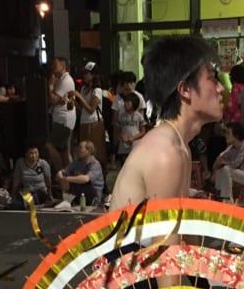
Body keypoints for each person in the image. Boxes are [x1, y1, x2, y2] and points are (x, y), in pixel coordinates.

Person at [110, 34, 224, 210]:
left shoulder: (177, 144)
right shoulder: (166, 153)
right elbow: (165, 238)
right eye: (212, 78)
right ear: (185, 89)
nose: (221, 87)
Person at [212, 122, 244, 201]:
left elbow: (235, 164)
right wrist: (215, 171)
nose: (226, 136)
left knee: (226, 169)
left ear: (236, 135)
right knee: (222, 169)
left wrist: (223, 163)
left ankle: (227, 199)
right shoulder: (232, 148)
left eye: (228, 133)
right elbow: (219, 160)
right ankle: (219, 194)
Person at [74, 65, 106, 174]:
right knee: (84, 151)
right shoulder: (83, 88)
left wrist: (79, 97)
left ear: (93, 75)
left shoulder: (97, 90)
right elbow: (82, 108)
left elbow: (91, 109)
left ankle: (99, 174)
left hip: (94, 122)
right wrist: (74, 102)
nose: (84, 75)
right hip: (84, 121)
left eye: (87, 73)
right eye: (84, 73)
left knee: (95, 151)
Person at [54, 140, 105, 209]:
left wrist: (67, 179)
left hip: (92, 193)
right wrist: (60, 175)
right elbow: (64, 171)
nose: (78, 150)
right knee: (66, 178)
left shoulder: (95, 164)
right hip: (80, 193)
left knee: (83, 182)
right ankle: (67, 200)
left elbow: (85, 179)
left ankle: (73, 201)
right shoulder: (77, 162)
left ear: (88, 150)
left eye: (81, 148)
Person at [47, 57, 77, 166]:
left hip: (64, 120)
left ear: (62, 67)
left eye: (55, 66)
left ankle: (61, 171)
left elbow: (53, 100)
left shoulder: (66, 80)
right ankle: (67, 174)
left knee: (50, 145)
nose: (52, 68)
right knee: (66, 151)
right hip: (62, 118)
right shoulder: (60, 79)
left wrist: (50, 86)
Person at [115, 92, 147, 167]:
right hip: (124, 144)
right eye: (125, 102)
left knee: (136, 163)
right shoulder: (121, 116)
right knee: (125, 163)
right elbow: (118, 130)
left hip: (135, 144)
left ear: (134, 103)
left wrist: (133, 138)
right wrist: (121, 137)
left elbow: (143, 131)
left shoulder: (138, 116)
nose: (125, 104)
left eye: (128, 102)